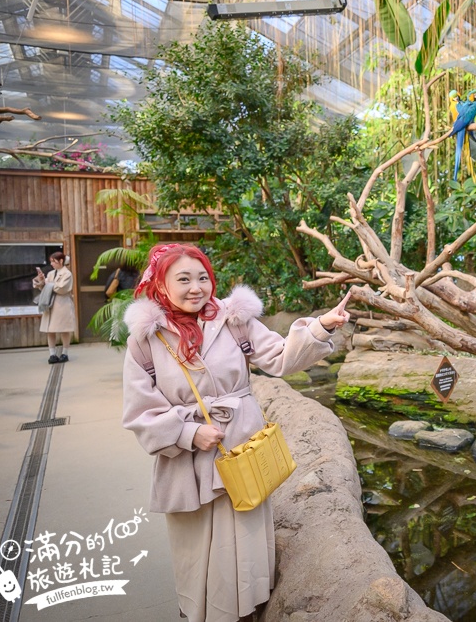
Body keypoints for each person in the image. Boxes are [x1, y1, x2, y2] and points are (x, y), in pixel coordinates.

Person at [121, 243, 350, 622]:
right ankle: (198, 611)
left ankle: (248, 609)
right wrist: (187, 433)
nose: (197, 287)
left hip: (241, 445)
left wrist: (320, 326)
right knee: (197, 542)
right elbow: (138, 410)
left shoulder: (233, 319)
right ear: (161, 284)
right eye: (183, 279)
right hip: (187, 462)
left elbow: (280, 358)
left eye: (203, 278)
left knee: (242, 533)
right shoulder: (145, 340)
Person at [33, 251, 76, 363]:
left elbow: (62, 288)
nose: (52, 263)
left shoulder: (67, 274)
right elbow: (43, 286)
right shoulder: (51, 273)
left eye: (54, 261)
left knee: (64, 330)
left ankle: (64, 353)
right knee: (50, 330)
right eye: (51, 261)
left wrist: (47, 284)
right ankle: (52, 354)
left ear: (61, 261)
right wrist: (41, 279)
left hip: (62, 304)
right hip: (50, 303)